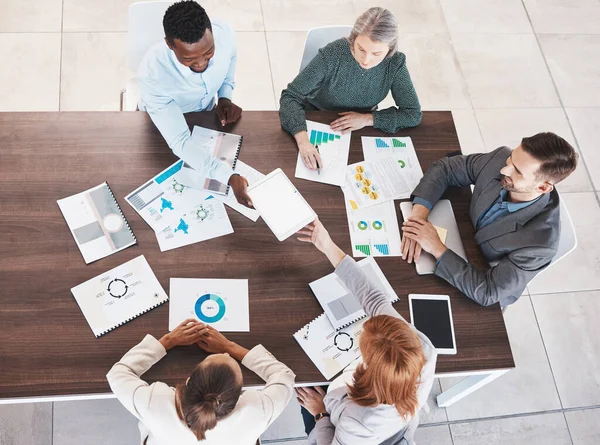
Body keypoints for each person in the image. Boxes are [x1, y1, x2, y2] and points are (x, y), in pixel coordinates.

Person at [295, 218, 437, 445]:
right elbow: (373, 298)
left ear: (368, 367)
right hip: (380, 416)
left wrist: (320, 414)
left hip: (339, 428)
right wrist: (327, 245)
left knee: (306, 387)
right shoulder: (421, 346)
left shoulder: (359, 423)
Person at [401, 132, 579, 308]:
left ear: (543, 187)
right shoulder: (500, 159)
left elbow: (488, 292)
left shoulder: (540, 246)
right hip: (466, 234)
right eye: (511, 159)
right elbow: (446, 168)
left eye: (517, 171)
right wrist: (418, 216)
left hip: (480, 277)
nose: (504, 170)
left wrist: (436, 247)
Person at [107, 318, 295, 445]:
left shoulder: (155, 402)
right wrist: (231, 346)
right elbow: (283, 375)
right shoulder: (257, 411)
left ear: (189, 380)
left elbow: (118, 374)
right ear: (238, 396)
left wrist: (168, 340)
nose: (223, 353)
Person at [136, 0, 251, 207]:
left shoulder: (223, 32)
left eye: (208, 53)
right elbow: (179, 141)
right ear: (170, 45)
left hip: (205, 116)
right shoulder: (153, 75)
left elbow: (231, 57)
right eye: (189, 59)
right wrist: (229, 177)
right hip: (163, 125)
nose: (201, 64)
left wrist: (225, 96)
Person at [279, 7, 422, 171]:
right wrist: (303, 139)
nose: (366, 60)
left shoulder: (395, 63)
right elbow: (290, 97)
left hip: (361, 127)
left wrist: (368, 119)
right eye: (361, 49)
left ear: (390, 49)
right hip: (317, 116)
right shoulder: (333, 53)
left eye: (376, 54)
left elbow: (412, 114)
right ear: (353, 39)